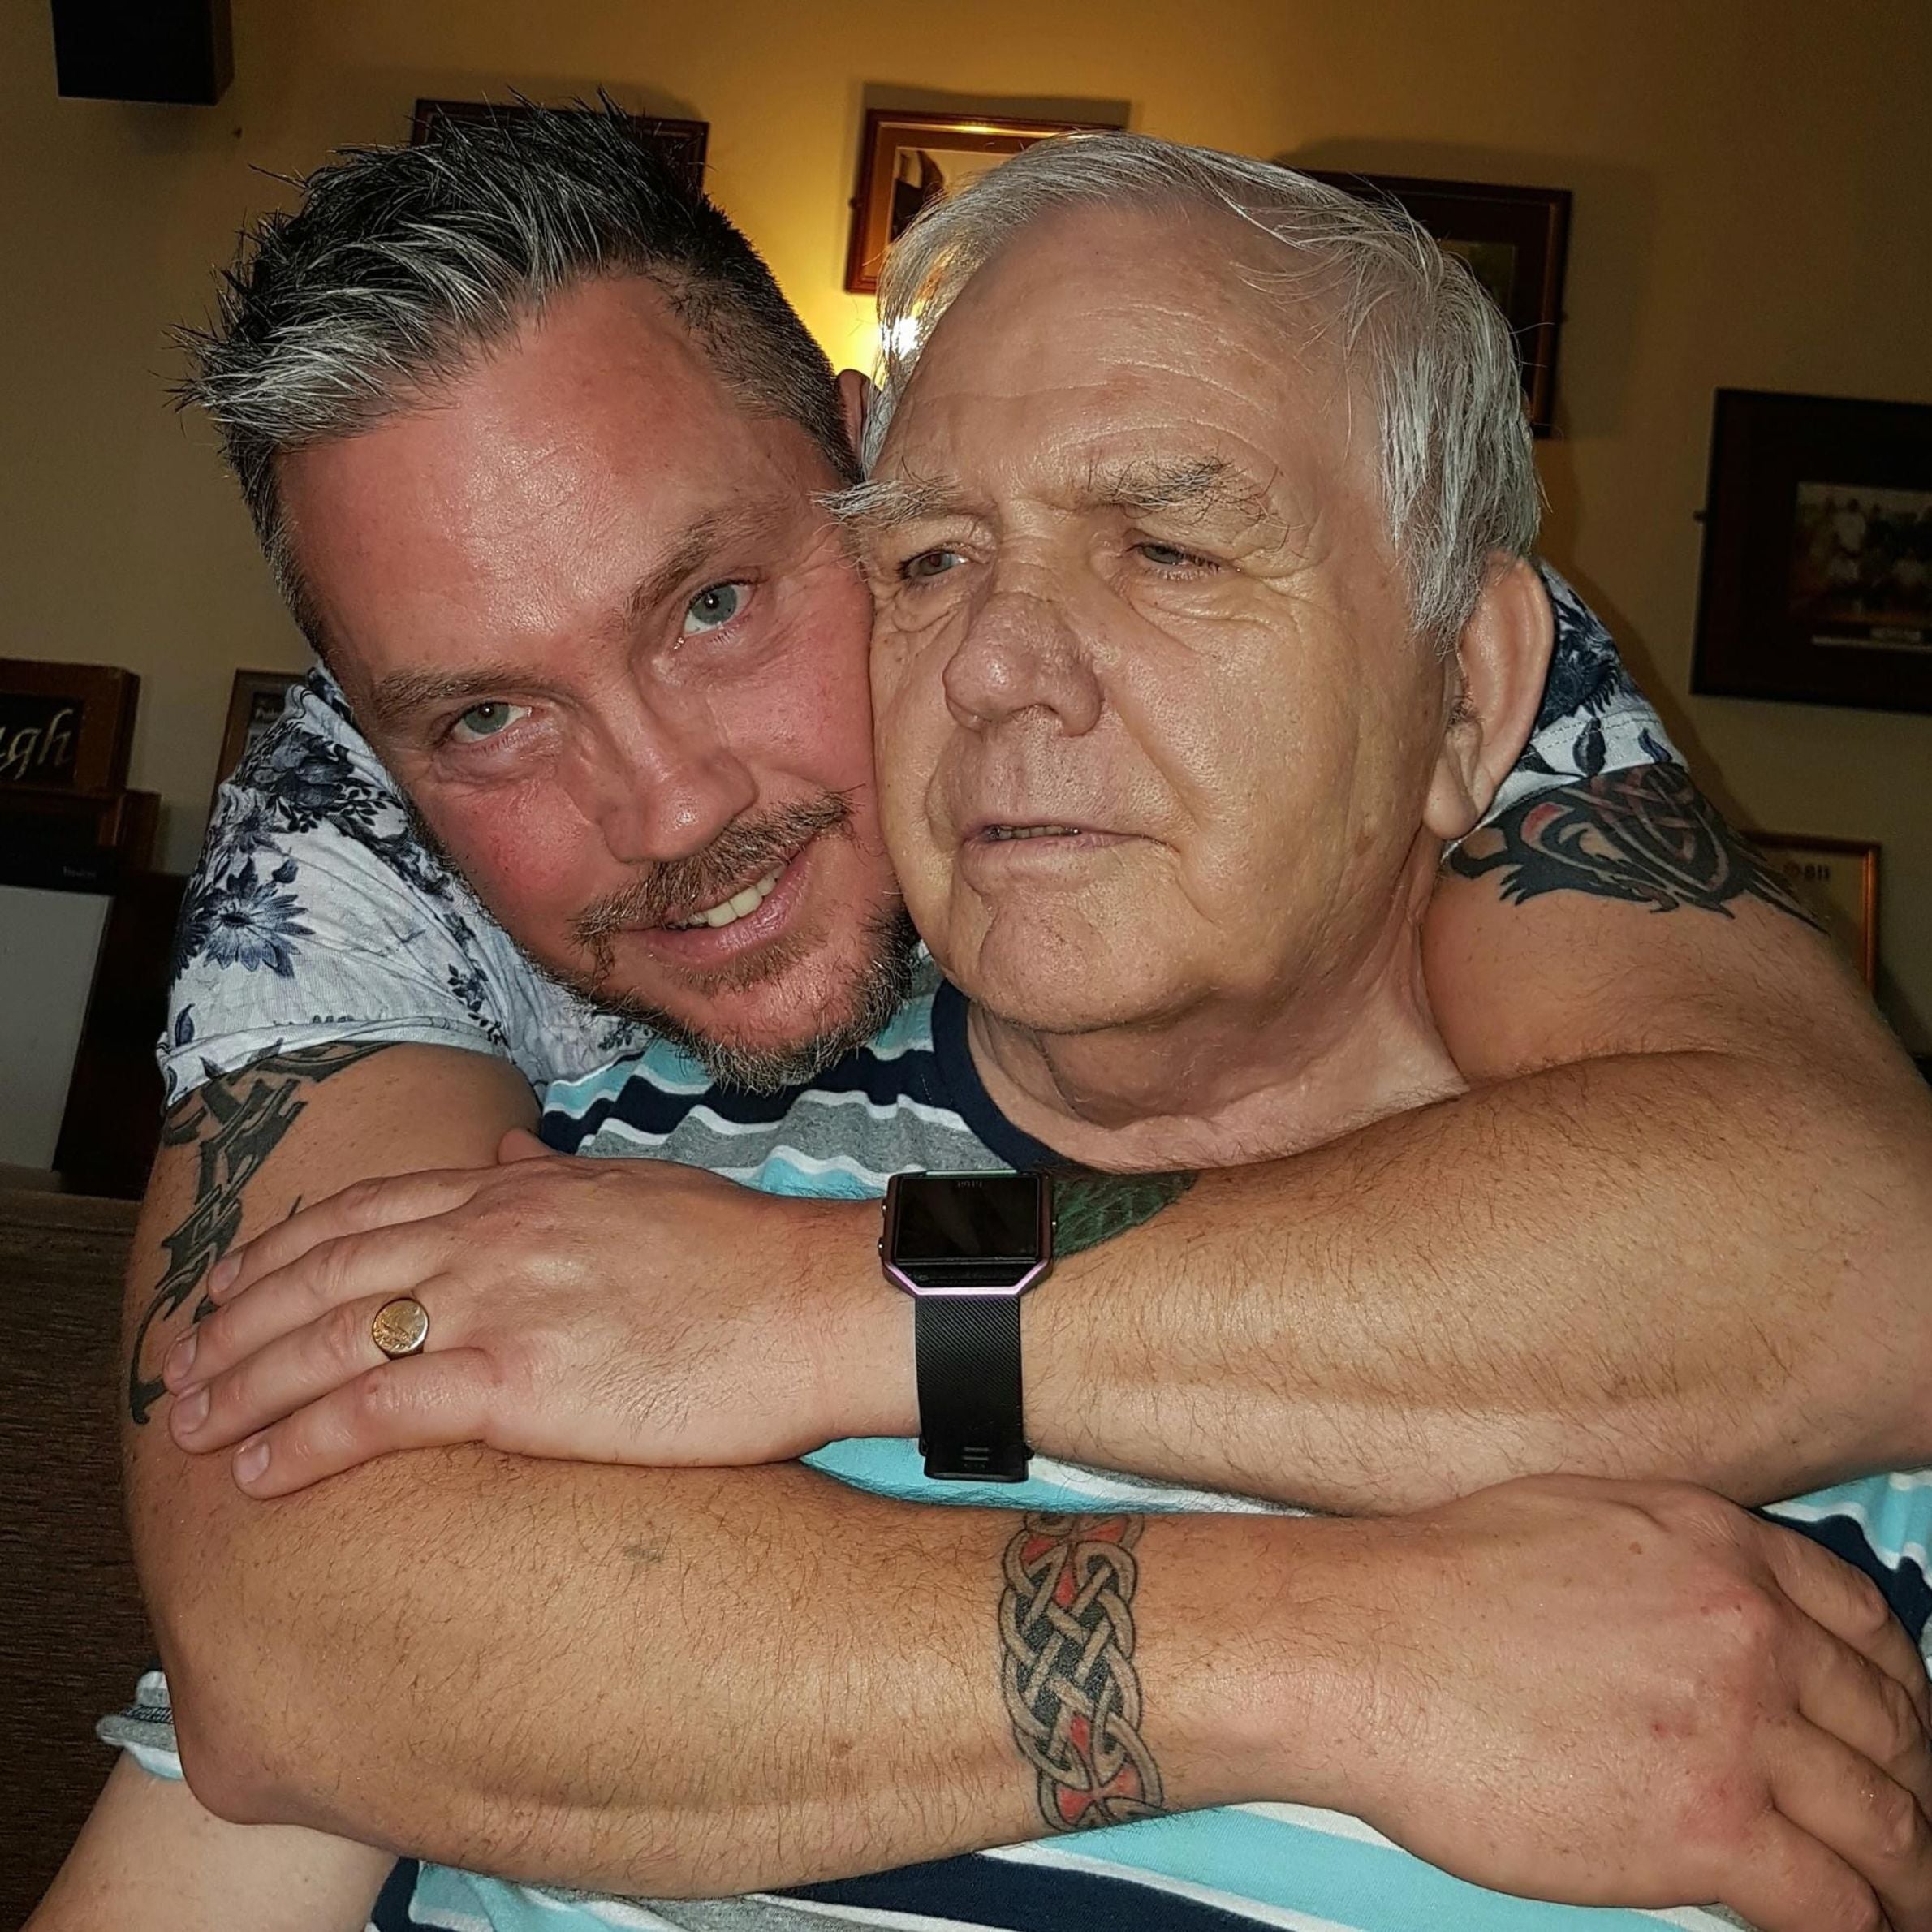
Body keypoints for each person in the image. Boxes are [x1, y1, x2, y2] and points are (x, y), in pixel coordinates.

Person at [32, 116, 1932, 1931]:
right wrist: (1338, 1644)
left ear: (1469, 696)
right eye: (941, 559)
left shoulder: (1746, 1348)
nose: (1011, 662)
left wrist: (810, 1305)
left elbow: (1860, 1250)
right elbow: (289, 1658)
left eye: (712, 601)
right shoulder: (568, 1214)